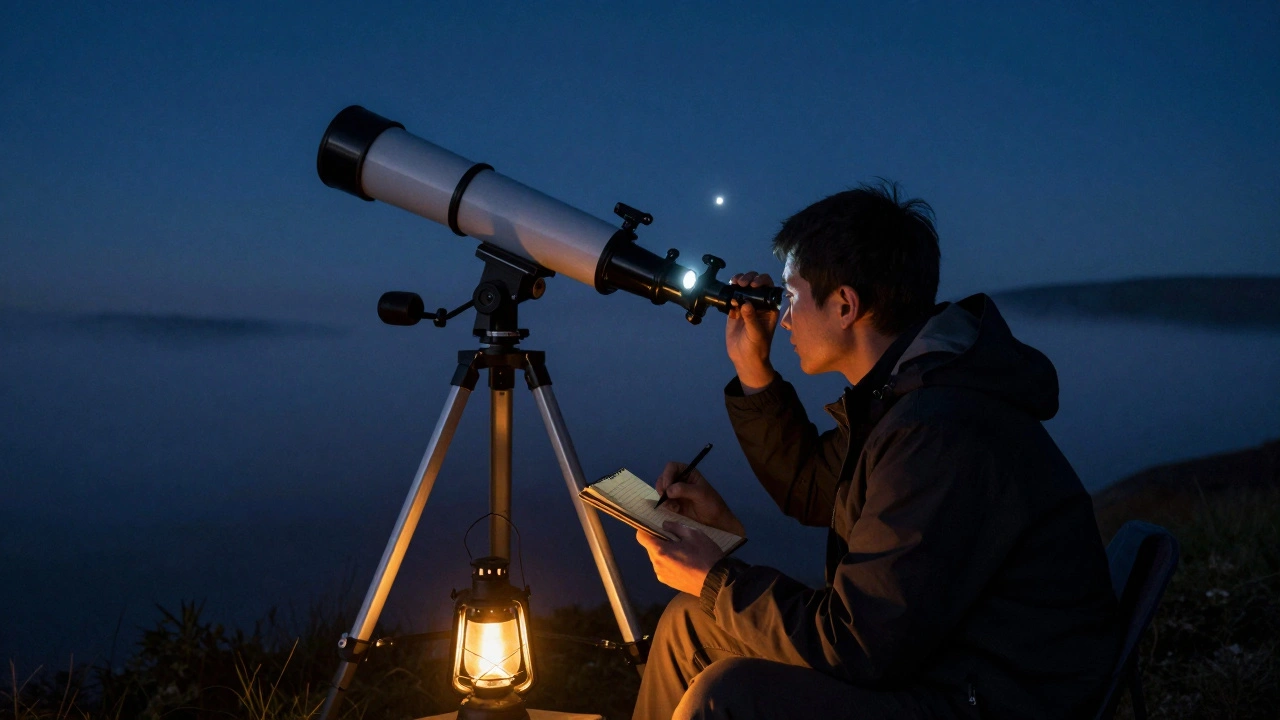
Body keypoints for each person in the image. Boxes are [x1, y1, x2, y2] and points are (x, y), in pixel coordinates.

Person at [631, 183, 1120, 720]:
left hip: (989, 696)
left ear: (845, 304)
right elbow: (815, 489)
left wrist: (718, 577)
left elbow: (858, 644)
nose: (785, 319)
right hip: (937, 657)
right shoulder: (907, 392)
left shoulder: (938, 429)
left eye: (791, 298)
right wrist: (753, 371)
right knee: (689, 626)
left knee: (729, 694)